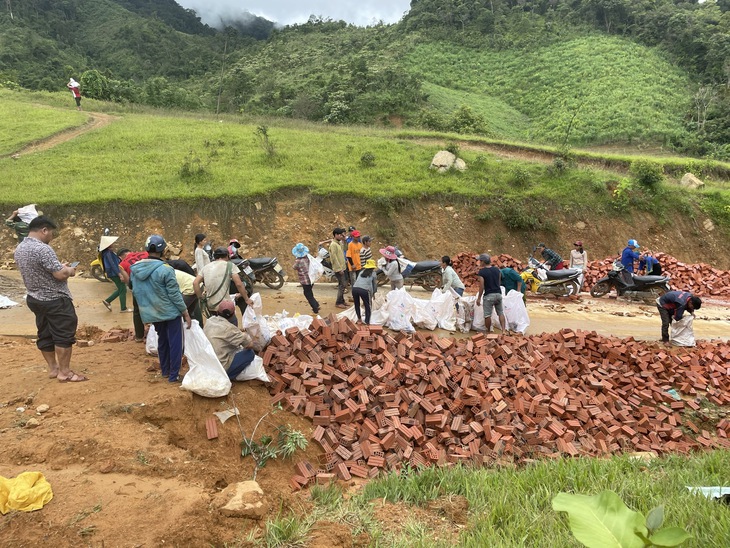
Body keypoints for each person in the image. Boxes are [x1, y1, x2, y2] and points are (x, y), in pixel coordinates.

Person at [14, 215, 86, 382]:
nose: (51, 237)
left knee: (45, 333)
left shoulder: (20, 248)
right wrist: (69, 270)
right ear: (44, 230)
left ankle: (53, 368)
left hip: (34, 297)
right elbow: (60, 275)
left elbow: (39, 270)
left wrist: (59, 266)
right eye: (51, 233)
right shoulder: (43, 249)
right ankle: (65, 372)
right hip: (55, 299)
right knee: (63, 335)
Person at [131, 235, 191, 383]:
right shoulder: (166, 269)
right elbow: (175, 295)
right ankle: (174, 375)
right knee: (175, 342)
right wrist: (185, 312)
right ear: (163, 250)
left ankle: (165, 371)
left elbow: (135, 290)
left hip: (153, 312)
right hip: (170, 312)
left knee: (162, 340)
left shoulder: (135, 269)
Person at [194, 247, 253, 321]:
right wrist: (247, 299)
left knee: (215, 323)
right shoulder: (230, 265)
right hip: (224, 306)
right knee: (232, 322)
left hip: (210, 305)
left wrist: (201, 298)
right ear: (227, 256)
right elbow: (239, 284)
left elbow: (195, 283)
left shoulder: (206, 267)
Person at [203, 301, 257, 381]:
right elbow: (249, 345)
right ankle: (228, 376)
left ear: (218, 312)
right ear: (233, 314)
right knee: (250, 353)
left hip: (207, 363)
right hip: (221, 365)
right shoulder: (230, 329)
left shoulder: (209, 321)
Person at [118, 248, 148, 342]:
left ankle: (139, 336)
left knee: (137, 311)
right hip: (154, 284)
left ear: (122, 256)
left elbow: (128, 281)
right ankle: (157, 334)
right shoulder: (145, 253)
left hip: (138, 287)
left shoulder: (122, 264)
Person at [476, 254, 507, 333]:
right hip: (498, 294)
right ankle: (503, 330)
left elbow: (482, 286)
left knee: (487, 315)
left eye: (480, 261)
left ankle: (489, 331)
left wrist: (479, 298)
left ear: (483, 262)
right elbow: (499, 281)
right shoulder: (497, 269)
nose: (479, 262)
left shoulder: (482, 272)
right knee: (500, 313)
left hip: (489, 296)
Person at [99, 235, 129, 313]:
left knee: (121, 289)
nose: (113, 243)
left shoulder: (107, 252)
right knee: (123, 289)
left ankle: (108, 301)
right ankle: (123, 308)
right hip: (114, 273)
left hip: (113, 273)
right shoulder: (108, 253)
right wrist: (119, 274)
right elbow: (113, 264)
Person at [292, 243, 320, 314]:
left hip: (305, 281)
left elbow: (294, 267)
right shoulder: (308, 258)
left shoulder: (298, 261)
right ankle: (316, 304)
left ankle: (315, 309)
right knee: (310, 293)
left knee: (307, 294)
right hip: (311, 278)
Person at [352, 259, 378, 324]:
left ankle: (359, 319)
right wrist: (372, 294)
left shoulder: (361, 272)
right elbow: (373, 286)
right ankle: (367, 322)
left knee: (357, 304)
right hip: (364, 290)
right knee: (368, 306)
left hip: (354, 289)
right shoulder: (373, 274)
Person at [329, 228, 348, 309]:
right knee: (342, 285)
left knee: (343, 284)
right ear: (335, 235)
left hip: (343, 267)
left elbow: (345, 249)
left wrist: (344, 238)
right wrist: (339, 269)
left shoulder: (339, 243)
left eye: (342, 235)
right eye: (340, 235)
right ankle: (338, 302)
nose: (341, 236)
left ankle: (342, 300)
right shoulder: (333, 245)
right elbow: (334, 258)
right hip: (339, 269)